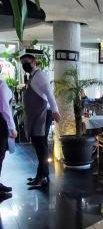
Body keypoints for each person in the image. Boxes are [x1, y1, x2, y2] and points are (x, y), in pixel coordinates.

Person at [20, 54, 62, 188]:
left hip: (43, 115)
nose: (24, 65)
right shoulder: (32, 76)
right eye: (22, 63)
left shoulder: (40, 75)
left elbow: (50, 94)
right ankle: (42, 175)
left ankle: (42, 177)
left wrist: (55, 110)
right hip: (36, 116)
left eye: (26, 62)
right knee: (39, 146)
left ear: (34, 62)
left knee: (41, 147)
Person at [0, 65, 18, 201]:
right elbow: (5, 108)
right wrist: (12, 127)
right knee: (0, 155)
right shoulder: (1, 86)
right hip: (0, 123)